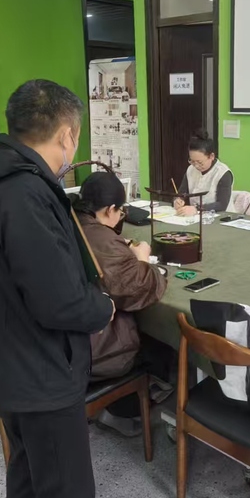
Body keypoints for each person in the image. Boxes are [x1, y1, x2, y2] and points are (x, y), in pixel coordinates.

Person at [0, 80, 115, 498]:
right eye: (75, 138)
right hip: (39, 374)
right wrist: (102, 307)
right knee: (67, 496)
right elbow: (60, 300)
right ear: (66, 135)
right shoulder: (24, 193)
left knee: (29, 477)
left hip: (7, 364)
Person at [74, 171, 168, 435]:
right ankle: (124, 411)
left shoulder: (72, 222)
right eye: (120, 211)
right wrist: (141, 257)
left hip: (66, 336)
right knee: (159, 336)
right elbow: (139, 288)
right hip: (98, 346)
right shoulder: (102, 239)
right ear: (110, 209)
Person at [174, 130, 235, 215]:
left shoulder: (223, 173)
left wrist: (196, 209)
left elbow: (222, 205)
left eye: (200, 162)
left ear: (211, 156)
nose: (196, 166)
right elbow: (182, 193)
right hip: (195, 217)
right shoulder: (191, 169)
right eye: (192, 161)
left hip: (222, 217)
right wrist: (178, 200)